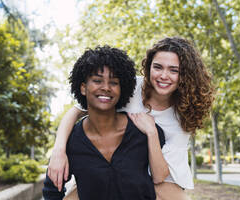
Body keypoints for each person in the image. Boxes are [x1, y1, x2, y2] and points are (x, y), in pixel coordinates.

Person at [48, 37, 214, 199]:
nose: (164, 76)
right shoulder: (127, 87)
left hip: (162, 180)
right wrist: (59, 150)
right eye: (158, 67)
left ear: (185, 75)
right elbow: (77, 111)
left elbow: (159, 176)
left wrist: (151, 132)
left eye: (174, 70)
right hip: (115, 170)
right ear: (149, 68)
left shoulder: (183, 116)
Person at [43, 46, 165, 200]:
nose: (106, 87)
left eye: (114, 82)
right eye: (97, 80)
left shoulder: (141, 132)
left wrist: (151, 133)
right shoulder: (71, 142)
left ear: (122, 89)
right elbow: (51, 192)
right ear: (83, 88)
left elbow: (160, 177)